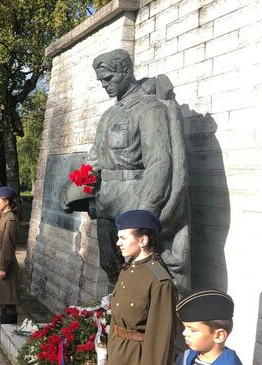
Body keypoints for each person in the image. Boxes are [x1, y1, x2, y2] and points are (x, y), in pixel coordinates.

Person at [61, 49, 191, 293]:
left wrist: (147, 211)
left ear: (126, 71)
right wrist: (75, 188)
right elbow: (95, 157)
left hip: (134, 202)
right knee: (110, 264)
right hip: (107, 202)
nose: (104, 85)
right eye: (101, 80)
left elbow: (160, 163)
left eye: (108, 78)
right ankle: (115, 315)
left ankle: (138, 322)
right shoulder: (109, 115)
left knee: (138, 269)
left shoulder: (149, 109)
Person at [108, 209, 177, 365]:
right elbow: (116, 322)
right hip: (117, 353)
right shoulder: (126, 270)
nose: (118, 243)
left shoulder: (160, 281)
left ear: (142, 240)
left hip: (138, 357)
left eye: (123, 238)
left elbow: (161, 338)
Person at [176, 289, 243, 365]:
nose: (184, 333)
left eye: (193, 330)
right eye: (184, 327)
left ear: (219, 335)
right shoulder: (185, 358)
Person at [0, 187, 20, 343]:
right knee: (3, 299)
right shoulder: (2, 217)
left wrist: (3, 268)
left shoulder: (11, 219)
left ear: (6, 202)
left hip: (6, 263)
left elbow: (8, 245)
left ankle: (9, 334)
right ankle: (4, 332)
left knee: (9, 301)